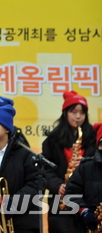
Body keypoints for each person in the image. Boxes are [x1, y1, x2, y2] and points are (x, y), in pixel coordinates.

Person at [0, 96, 42, 233]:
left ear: (7, 129)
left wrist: (13, 203)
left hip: (22, 222)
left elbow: (36, 183)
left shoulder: (26, 154)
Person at [42, 90, 96, 233]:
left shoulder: (95, 138)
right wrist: (57, 185)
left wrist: (88, 162)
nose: (78, 117)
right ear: (65, 113)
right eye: (74, 112)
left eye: (82, 113)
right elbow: (45, 169)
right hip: (60, 200)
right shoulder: (52, 140)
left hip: (87, 199)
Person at [65, 122, 102, 233]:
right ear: (99, 145)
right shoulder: (85, 167)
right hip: (88, 227)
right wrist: (83, 210)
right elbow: (70, 194)